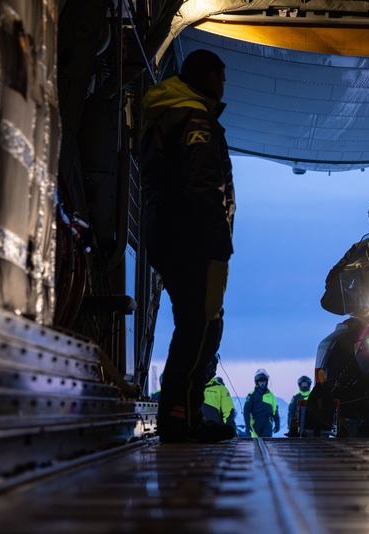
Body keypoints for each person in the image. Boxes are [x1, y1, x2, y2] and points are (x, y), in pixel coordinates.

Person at [140, 49, 235, 442]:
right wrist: (217, 240)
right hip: (195, 241)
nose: (225, 85)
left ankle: (182, 416)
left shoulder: (165, 113)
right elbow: (202, 186)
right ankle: (183, 420)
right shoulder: (196, 118)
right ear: (211, 77)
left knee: (191, 326)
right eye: (223, 77)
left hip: (168, 237)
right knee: (202, 329)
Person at [202, 354, 237, 430]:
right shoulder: (189, 388)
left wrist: (228, 430)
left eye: (208, 365)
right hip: (192, 436)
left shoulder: (221, 389)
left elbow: (228, 413)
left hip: (214, 435)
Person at [244, 369, 280, 437]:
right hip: (255, 422)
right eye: (260, 382)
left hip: (267, 423)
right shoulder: (252, 395)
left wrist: (277, 424)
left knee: (267, 443)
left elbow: (275, 410)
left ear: (266, 382)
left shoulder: (270, 395)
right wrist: (247, 425)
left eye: (264, 381)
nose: (262, 383)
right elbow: (246, 411)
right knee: (255, 444)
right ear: (257, 382)